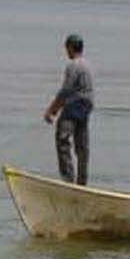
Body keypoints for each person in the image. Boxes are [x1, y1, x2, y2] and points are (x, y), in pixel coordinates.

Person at [44, 33, 96, 185]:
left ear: (71, 48)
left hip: (75, 105)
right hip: (87, 106)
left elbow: (65, 91)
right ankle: (82, 182)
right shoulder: (88, 65)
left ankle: (68, 180)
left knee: (63, 140)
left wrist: (51, 110)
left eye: (67, 48)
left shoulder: (73, 65)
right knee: (82, 145)